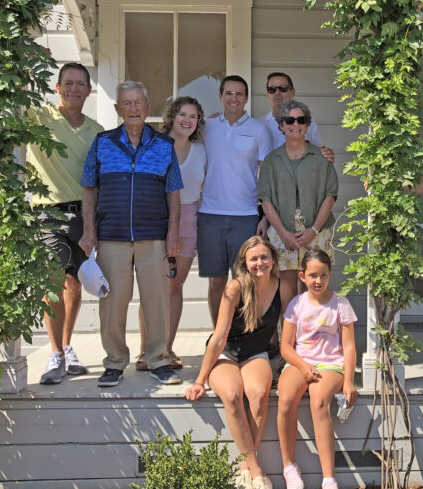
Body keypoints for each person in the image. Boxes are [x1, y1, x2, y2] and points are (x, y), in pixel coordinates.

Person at [79, 81, 183, 388]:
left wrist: (173, 232)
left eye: (138, 102)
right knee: (112, 303)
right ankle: (114, 362)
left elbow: (173, 193)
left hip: (154, 236)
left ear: (147, 106)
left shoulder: (164, 145)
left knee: (157, 300)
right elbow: (89, 189)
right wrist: (89, 231)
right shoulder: (102, 143)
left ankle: (159, 359)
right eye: (127, 103)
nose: (133, 108)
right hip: (111, 236)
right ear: (118, 109)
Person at [184, 236, 281, 489]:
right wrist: (199, 380)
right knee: (231, 394)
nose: (259, 263)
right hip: (226, 352)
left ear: (273, 259)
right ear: (244, 263)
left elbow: (286, 330)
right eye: (254, 259)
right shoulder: (234, 288)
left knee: (260, 394)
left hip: (256, 353)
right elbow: (218, 338)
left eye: (264, 257)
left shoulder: (279, 286)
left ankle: (244, 469)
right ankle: (259, 475)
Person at [26, 62, 102, 386]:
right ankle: (55, 353)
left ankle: (68, 346)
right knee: (52, 280)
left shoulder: (97, 131)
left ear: (88, 91)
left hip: (83, 214)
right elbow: (12, 96)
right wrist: (26, 58)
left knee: (74, 283)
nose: (74, 89)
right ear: (58, 88)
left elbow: (97, 182)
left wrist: (91, 227)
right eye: (68, 83)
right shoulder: (39, 118)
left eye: (80, 84)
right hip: (48, 211)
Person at [276, 248, 357, 489]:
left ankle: (329, 480)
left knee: (319, 401)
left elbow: (350, 346)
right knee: (286, 399)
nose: (318, 280)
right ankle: (289, 466)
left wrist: (349, 381)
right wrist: (302, 367)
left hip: (331, 365)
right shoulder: (296, 304)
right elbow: (286, 347)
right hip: (301, 363)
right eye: (312, 275)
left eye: (323, 275)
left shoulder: (341, 304)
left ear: (330, 274)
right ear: (301, 276)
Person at [133, 96, 206, 372]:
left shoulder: (201, 150)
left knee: (175, 286)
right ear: (172, 116)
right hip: (157, 216)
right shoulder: (154, 144)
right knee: (154, 288)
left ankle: (167, 349)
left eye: (193, 116)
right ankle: (145, 351)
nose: (187, 120)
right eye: (182, 114)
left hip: (189, 216)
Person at [198, 75, 273, 325]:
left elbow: (266, 176)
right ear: (220, 97)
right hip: (210, 214)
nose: (234, 98)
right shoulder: (207, 127)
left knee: (245, 279)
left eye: (239, 94)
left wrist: (264, 214)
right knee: (216, 281)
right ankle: (220, 335)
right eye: (228, 93)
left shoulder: (258, 131)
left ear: (247, 98)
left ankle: (245, 334)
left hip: (246, 215)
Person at [258, 99, 338, 308]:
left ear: (307, 124)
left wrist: (313, 229)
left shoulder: (321, 158)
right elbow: (266, 200)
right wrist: (283, 233)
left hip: (317, 232)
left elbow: (330, 196)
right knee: (287, 287)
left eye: (300, 120)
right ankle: (289, 337)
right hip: (283, 232)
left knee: (315, 285)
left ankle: (313, 337)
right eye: (289, 120)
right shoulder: (271, 160)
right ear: (281, 125)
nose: (295, 124)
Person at [260, 72, 322, 149]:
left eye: (283, 88)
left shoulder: (308, 124)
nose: (277, 93)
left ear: (293, 93)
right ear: (268, 95)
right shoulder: (259, 126)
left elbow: (317, 155)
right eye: (272, 89)